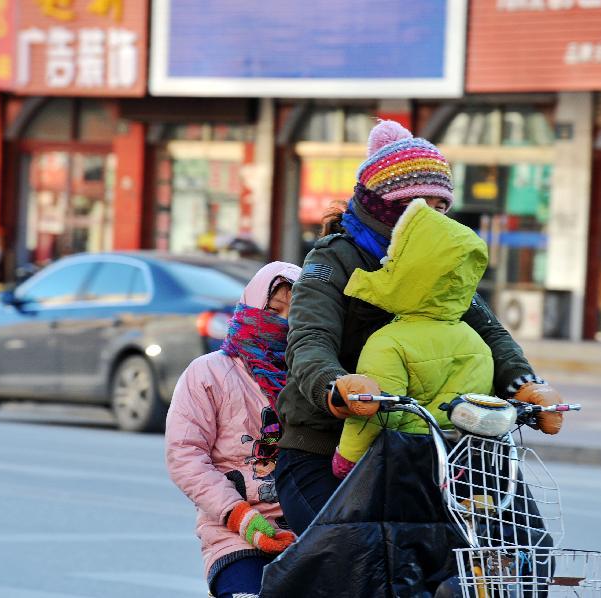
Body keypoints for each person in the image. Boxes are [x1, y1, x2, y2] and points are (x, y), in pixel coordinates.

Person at [275, 119, 564, 535]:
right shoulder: (332, 260)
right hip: (329, 446)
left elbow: (489, 331)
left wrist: (525, 386)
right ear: (386, 208)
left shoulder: (439, 264)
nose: (436, 221)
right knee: (349, 556)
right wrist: (336, 387)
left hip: (432, 446)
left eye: (442, 208)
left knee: (523, 547)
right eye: (421, 208)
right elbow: (309, 339)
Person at [165, 261, 301, 598]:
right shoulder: (208, 372)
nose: (282, 322)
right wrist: (240, 516)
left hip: (308, 531)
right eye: (273, 310)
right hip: (234, 534)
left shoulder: (313, 377)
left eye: (294, 314)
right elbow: (185, 455)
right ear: (252, 306)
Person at [332, 198, 493, 477]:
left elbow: (379, 414)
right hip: (457, 467)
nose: (386, 265)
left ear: (409, 272)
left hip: (403, 466)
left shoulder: (389, 342)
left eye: (394, 261)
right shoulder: (476, 342)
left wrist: (346, 459)